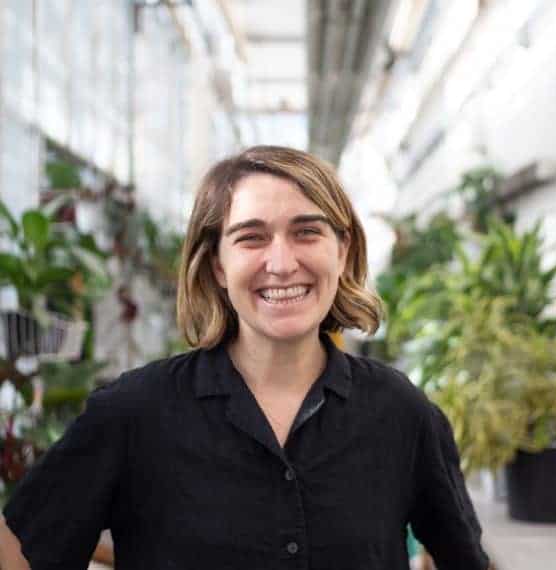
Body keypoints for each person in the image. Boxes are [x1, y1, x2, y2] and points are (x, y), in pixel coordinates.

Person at [0, 146, 490, 569]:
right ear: (217, 264)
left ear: (342, 251)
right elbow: (25, 552)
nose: (281, 263)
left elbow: (463, 557)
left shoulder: (400, 412)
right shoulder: (133, 413)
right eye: (251, 237)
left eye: (307, 232)